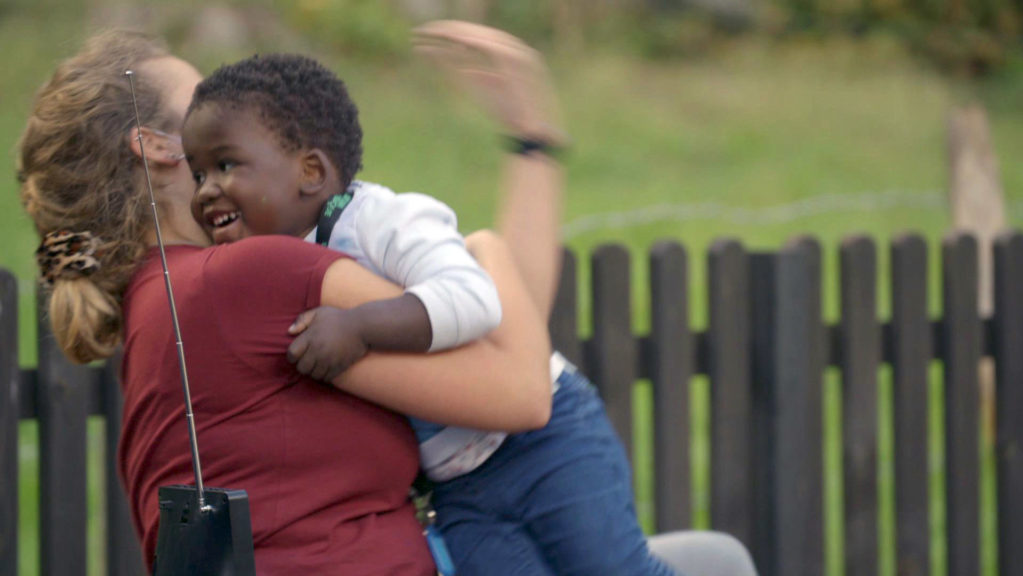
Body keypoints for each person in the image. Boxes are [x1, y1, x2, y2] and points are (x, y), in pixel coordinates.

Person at [16, 27, 552, 575]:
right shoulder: (248, 278)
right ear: (157, 146)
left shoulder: (159, 306)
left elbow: (497, 344)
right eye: (207, 102)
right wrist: (485, 252)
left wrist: (530, 144)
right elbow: (523, 389)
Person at [178, 28, 677, 576]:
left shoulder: (380, 222)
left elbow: (472, 299)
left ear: (311, 172)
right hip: (458, 489)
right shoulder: (267, 273)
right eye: (197, 173)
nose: (205, 189)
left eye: (225, 166)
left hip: (545, 443)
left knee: (614, 567)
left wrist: (361, 327)